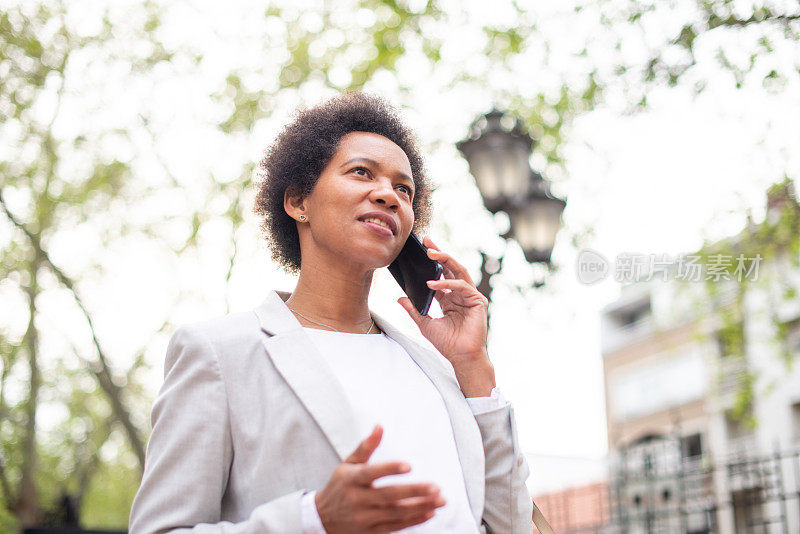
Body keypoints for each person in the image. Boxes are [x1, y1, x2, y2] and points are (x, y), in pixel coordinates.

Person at [128, 92, 533, 533]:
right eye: (362, 173)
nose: (389, 195)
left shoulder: (437, 370)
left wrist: (472, 366)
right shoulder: (220, 354)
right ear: (298, 201)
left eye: (404, 189)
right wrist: (313, 519)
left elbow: (509, 523)